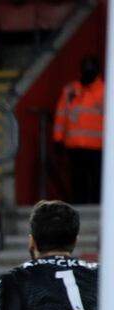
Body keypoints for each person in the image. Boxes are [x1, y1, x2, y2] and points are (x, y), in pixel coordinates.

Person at [54, 55, 104, 205]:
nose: (88, 70)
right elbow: (61, 114)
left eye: (91, 67)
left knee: (97, 182)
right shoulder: (70, 90)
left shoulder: (105, 91)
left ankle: (98, 208)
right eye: (86, 67)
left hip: (98, 146)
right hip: (75, 146)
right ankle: (78, 207)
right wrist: (58, 139)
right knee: (77, 181)